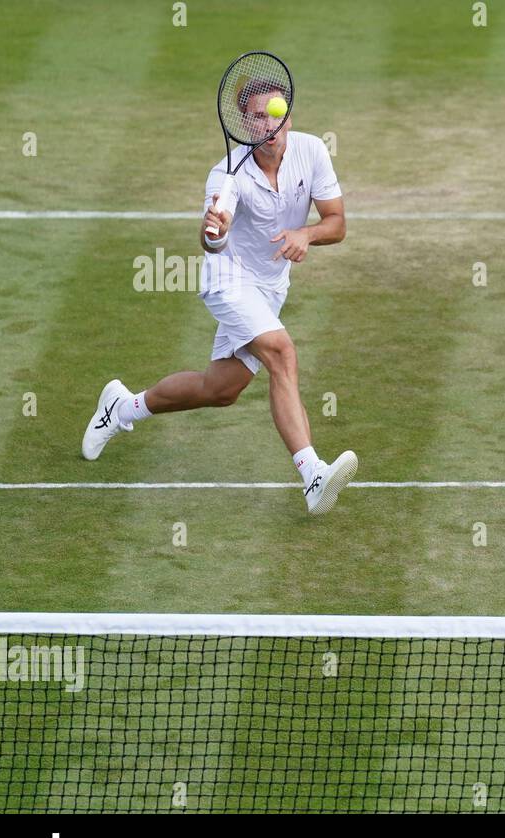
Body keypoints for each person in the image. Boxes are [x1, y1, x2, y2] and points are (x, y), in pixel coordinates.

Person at [81, 79, 357, 515]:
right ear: (243, 124)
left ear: (287, 114)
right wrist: (216, 230)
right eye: (255, 115)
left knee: (222, 388)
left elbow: (337, 223)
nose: (267, 121)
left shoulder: (312, 152)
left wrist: (307, 233)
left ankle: (123, 407)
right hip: (228, 281)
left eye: (274, 111)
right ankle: (313, 475)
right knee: (282, 353)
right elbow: (211, 238)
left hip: (269, 286)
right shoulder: (228, 174)